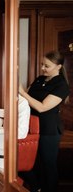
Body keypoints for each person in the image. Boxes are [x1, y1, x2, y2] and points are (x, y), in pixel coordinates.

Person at [19, 50, 70, 192]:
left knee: (48, 165)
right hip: (31, 127)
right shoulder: (39, 79)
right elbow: (26, 101)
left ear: (58, 66)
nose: (42, 68)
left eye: (46, 66)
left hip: (49, 130)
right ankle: (37, 188)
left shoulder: (61, 85)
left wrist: (22, 92)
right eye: (42, 64)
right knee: (29, 164)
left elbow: (42, 107)